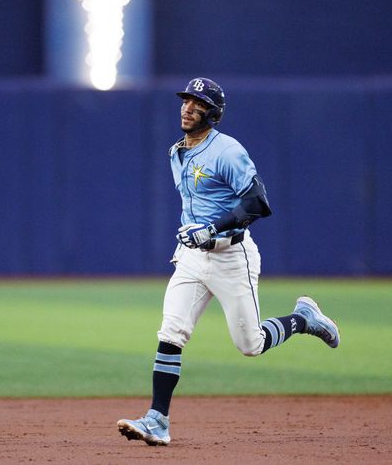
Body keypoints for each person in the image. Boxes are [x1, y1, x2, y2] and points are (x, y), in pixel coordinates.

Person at [117, 77, 340, 446]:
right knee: (171, 331)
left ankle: (303, 319)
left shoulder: (228, 151)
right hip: (191, 258)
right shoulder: (177, 151)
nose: (188, 107)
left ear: (213, 113)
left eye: (198, 103)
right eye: (186, 100)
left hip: (230, 256)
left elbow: (257, 202)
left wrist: (212, 228)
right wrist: (197, 235)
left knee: (250, 344)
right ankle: (157, 419)